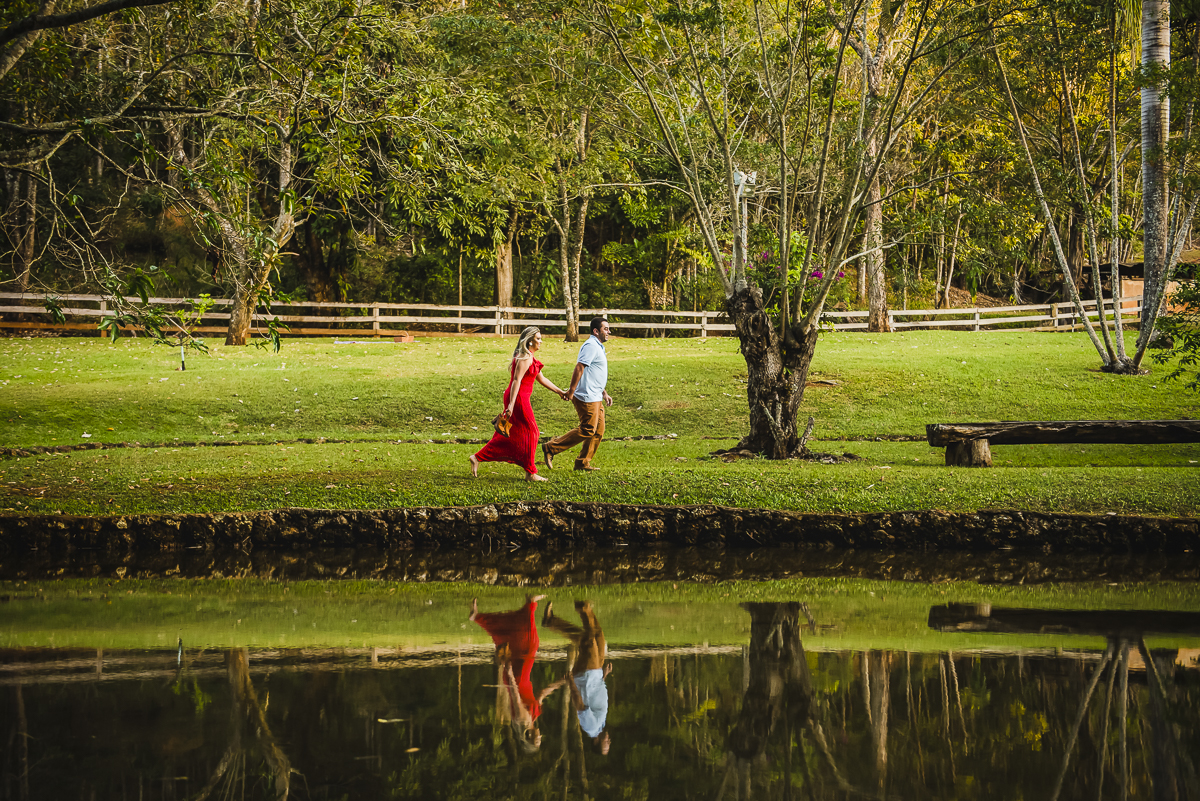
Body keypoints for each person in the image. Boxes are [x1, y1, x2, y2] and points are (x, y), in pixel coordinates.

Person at [469, 595, 565, 753]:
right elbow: (541, 694)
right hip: (521, 678)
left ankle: (531, 603)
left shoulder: (521, 719)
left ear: (528, 737)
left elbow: (515, 695)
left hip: (517, 679)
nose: (540, 737)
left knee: (530, 644)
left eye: (537, 740)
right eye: (540, 740)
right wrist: (561, 681)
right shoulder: (533, 718)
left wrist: (510, 673)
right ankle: (478, 617)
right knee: (522, 643)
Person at [471, 326, 567, 481]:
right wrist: (510, 405)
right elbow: (516, 381)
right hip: (518, 399)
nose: (540, 341)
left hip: (518, 398)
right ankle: (530, 472)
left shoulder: (530, 357)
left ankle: (477, 457)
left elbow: (541, 378)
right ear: (529, 341)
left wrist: (560, 392)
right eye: (538, 338)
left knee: (511, 435)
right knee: (533, 432)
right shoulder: (525, 358)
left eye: (540, 338)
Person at [542, 599, 612, 754]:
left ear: (596, 741)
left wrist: (571, 681)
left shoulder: (591, 727)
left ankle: (583, 608)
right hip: (597, 674)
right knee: (598, 636)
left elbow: (580, 704)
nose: (609, 741)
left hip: (586, 675)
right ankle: (551, 621)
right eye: (608, 744)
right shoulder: (599, 726)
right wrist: (604, 677)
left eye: (605, 744)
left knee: (589, 642)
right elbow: (594, 697)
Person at [543, 317, 612, 472]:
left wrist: (604, 393)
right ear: (596, 331)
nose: (609, 332)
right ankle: (551, 447)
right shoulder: (591, 346)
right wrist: (571, 391)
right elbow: (580, 367)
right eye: (605, 329)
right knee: (588, 429)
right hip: (587, 396)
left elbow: (594, 372)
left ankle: (582, 463)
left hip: (596, 395)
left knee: (598, 431)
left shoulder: (598, 346)